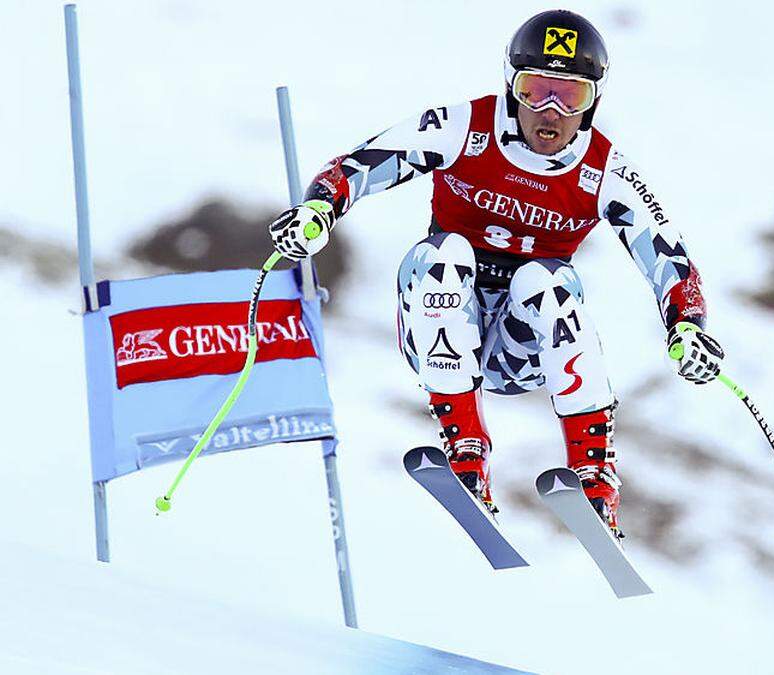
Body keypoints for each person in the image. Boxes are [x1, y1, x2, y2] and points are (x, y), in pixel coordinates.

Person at [268, 9, 725, 536]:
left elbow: (668, 256)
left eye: (570, 96)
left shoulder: (605, 170)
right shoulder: (464, 126)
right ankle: (466, 449)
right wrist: (319, 209)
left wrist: (688, 325)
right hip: (440, 324)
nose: (550, 112)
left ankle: (595, 475)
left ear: (594, 100)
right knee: (444, 255)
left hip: (522, 349)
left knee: (546, 281)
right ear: (511, 87)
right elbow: (362, 163)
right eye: (536, 91)